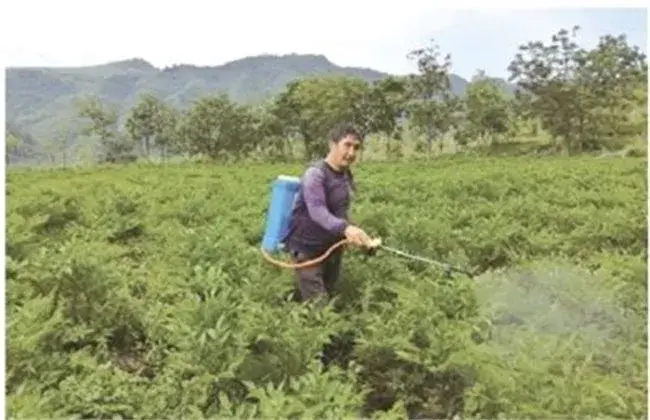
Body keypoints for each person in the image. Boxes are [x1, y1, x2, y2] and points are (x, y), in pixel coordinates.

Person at [283, 123, 375, 305]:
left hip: (331, 249)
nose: (351, 153)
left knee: (327, 297)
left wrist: (361, 236)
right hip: (307, 251)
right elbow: (317, 211)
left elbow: (341, 212)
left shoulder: (344, 175)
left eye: (356, 148)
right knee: (320, 306)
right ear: (332, 145)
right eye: (346, 145)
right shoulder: (315, 175)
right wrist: (346, 229)